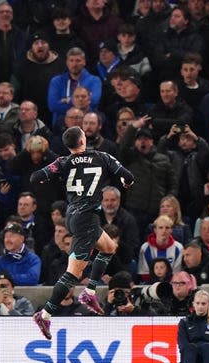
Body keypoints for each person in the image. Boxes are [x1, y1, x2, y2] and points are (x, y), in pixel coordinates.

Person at [30, 126, 135, 339]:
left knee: (108, 247)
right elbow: (128, 177)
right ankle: (46, 313)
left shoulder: (62, 162)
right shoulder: (102, 157)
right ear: (82, 140)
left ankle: (90, 292)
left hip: (74, 214)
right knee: (74, 273)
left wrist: (47, 178)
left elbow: (35, 178)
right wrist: (125, 181)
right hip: (87, 218)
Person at [137, 215, 185, 283]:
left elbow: (176, 274)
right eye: (160, 228)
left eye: (167, 228)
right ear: (155, 230)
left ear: (171, 230)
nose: (164, 231)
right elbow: (144, 274)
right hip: (150, 285)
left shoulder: (179, 248)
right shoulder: (145, 248)